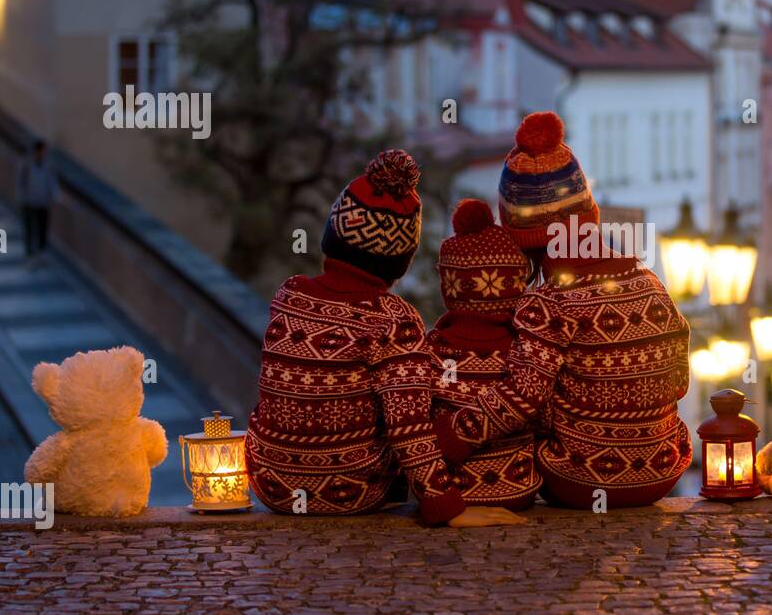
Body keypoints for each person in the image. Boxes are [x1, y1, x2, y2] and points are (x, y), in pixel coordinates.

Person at [243, 149, 519, 527]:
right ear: (399, 259)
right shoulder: (393, 319)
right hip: (348, 492)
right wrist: (447, 507)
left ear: (333, 233)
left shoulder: (289, 295)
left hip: (270, 484)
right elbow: (409, 427)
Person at [436, 112, 693, 508]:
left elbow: (522, 397)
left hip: (580, 481)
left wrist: (453, 434)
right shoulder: (649, 282)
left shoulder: (549, 304)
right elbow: (679, 381)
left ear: (524, 241)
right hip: (662, 471)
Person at [425, 199, 538, 515]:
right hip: (518, 491)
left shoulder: (431, 350)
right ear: (515, 283)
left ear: (449, 285)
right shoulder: (526, 347)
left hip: (454, 494)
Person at [18, 140, 57, 262]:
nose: (44, 153)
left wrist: (55, 195)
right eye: (42, 151)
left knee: (42, 227)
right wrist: (22, 197)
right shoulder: (26, 164)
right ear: (37, 151)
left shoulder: (48, 165)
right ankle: (29, 253)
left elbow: (52, 182)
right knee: (29, 228)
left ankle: (41, 252)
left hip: (43, 202)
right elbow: (20, 182)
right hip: (29, 202)